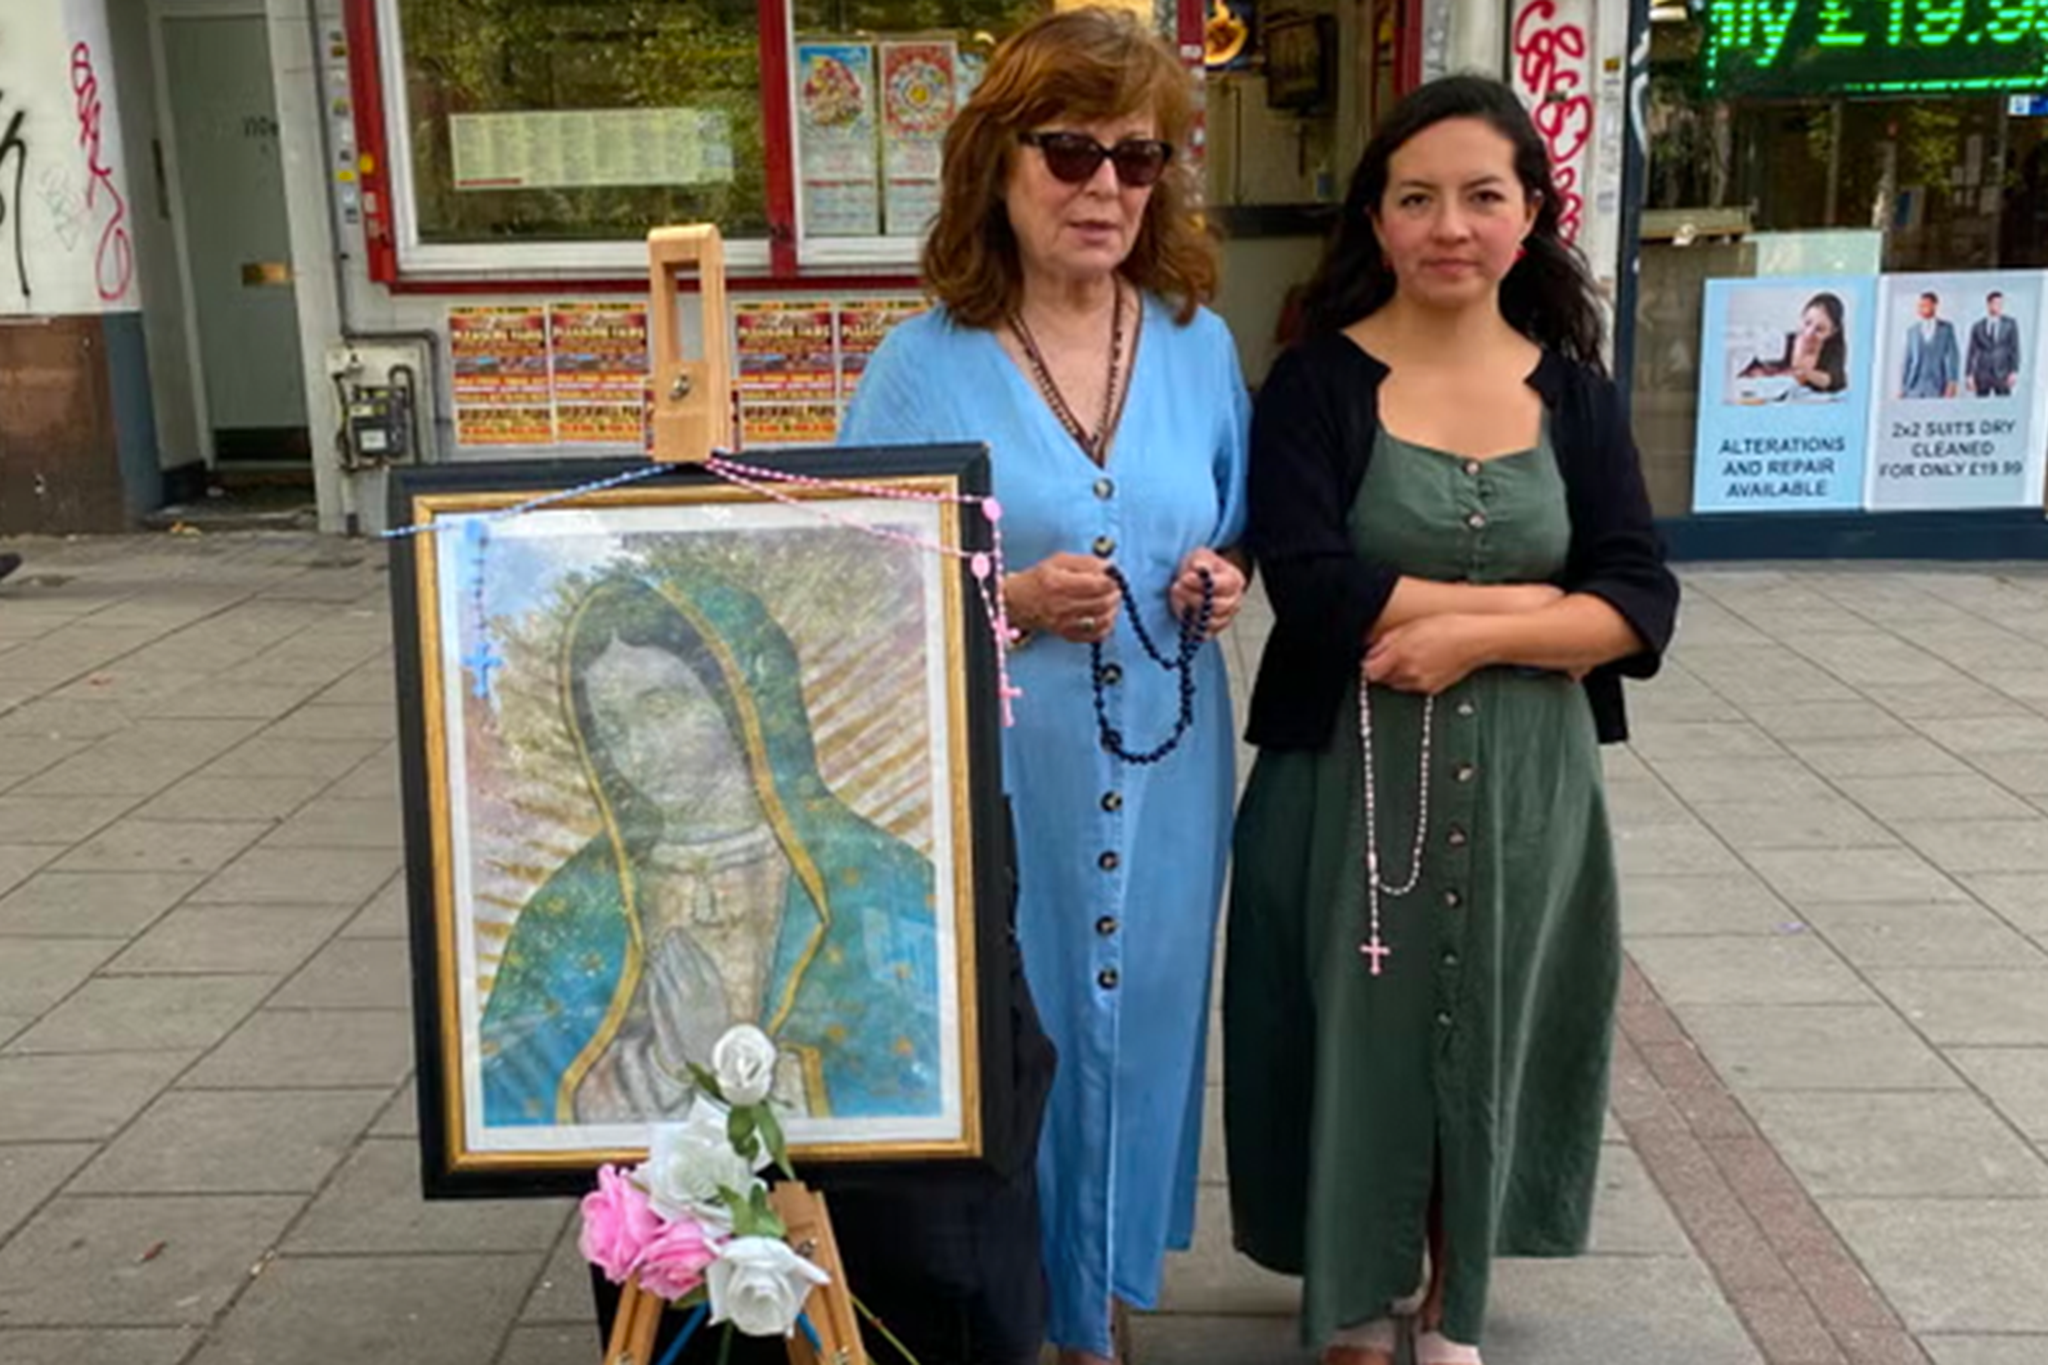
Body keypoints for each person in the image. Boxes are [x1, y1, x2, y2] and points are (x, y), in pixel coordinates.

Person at [1223, 74, 1678, 1365]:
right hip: (1347, 778)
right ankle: (1355, 1295)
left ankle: (1446, 1292)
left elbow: (1639, 595)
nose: (1449, 225)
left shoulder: (1575, 395)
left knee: (1491, 1020)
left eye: (1483, 196)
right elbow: (1312, 583)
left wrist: (1477, 631)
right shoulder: (1315, 383)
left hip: (1532, 781)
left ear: (1530, 214)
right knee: (1352, 1025)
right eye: (1416, 198)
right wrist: (1548, 601)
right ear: (1375, 219)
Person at [839, 9, 1252, 1362]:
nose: (1104, 188)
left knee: (1142, 1037)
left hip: (1166, 756)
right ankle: (1029, 1313)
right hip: (1007, 776)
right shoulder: (919, 365)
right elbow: (863, 590)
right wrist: (1005, 602)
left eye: (1139, 159)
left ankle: (1109, 1306)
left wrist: (1219, 578)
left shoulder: (1195, 342)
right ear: (997, 166)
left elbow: (1231, 519)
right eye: (1069, 150)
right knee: (1032, 1033)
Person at [479, 565, 940, 1129]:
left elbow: (925, 1070)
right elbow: (508, 1089)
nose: (639, 753)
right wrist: (667, 1067)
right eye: (614, 729)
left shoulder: (873, 876)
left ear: (742, 699)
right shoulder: (576, 904)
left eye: (662, 708)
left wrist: (728, 1062)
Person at [1901, 290, 1959, 399]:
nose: (1922, 308)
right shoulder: (1912, 331)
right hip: (1914, 387)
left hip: (1938, 386)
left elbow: (1952, 356)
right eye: (1920, 305)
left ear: (1934, 306)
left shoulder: (1946, 329)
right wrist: (1903, 387)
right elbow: (1907, 360)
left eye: (1925, 305)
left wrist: (1952, 382)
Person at [1788, 291, 1848, 394]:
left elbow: (1836, 381)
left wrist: (1808, 374)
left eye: (1819, 329)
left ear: (1832, 332)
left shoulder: (1833, 349)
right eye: (1807, 323)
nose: (1808, 333)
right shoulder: (1785, 342)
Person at [1966, 290, 2020, 397]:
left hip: (2002, 373)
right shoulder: (1978, 326)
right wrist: (1969, 375)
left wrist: (2014, 371)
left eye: (2001, 304)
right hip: (1982, 374)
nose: (1998, 307)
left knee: (2004, 407)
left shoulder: (2010, 324)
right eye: (1995, 303)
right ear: (1989, 304)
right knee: (1981, 407)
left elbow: (2014, 349)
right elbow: (1971, 352)